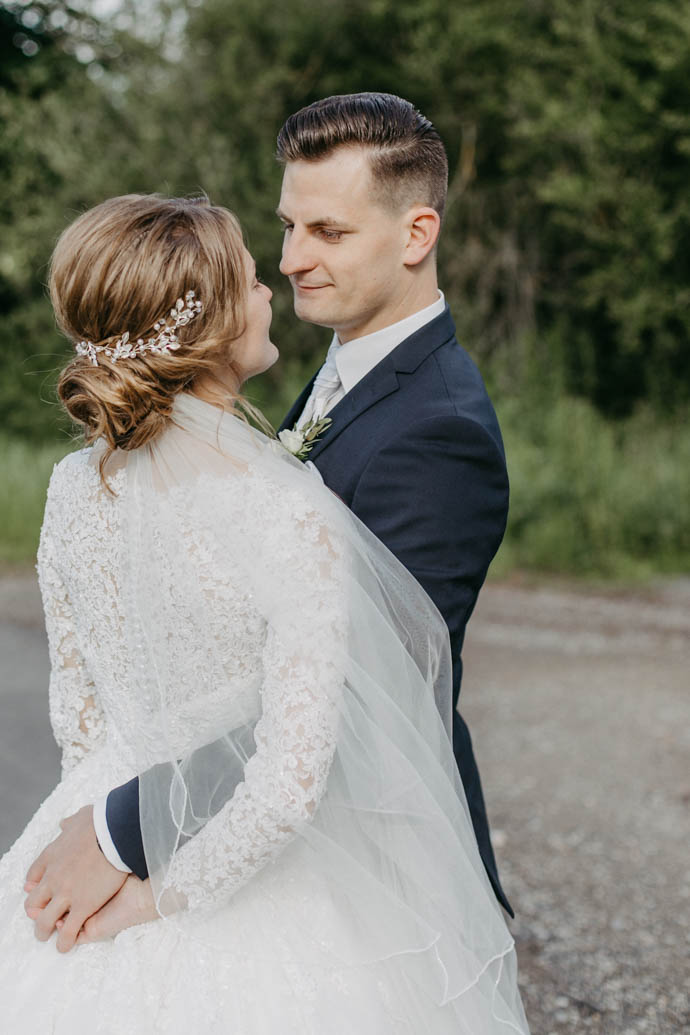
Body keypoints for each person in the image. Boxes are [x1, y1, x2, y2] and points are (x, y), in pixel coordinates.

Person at [0, 193, 528, 1032]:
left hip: (93, 817)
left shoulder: (72, 486)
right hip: (239, 864)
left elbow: (81, 713)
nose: (270, 290)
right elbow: (287, 784)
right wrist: (158, 898)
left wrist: (103, 827)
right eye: (251, 280)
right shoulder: (287, 508)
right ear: (210, 325)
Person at [94, 92, 513, 917]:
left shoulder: (440, 433)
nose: (289, 259)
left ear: (416, 235)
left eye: (328, 232)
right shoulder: (344, 369)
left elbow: (357, 694)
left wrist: (124, 831)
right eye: (289, 226)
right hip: (271, 816)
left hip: (369, 861)